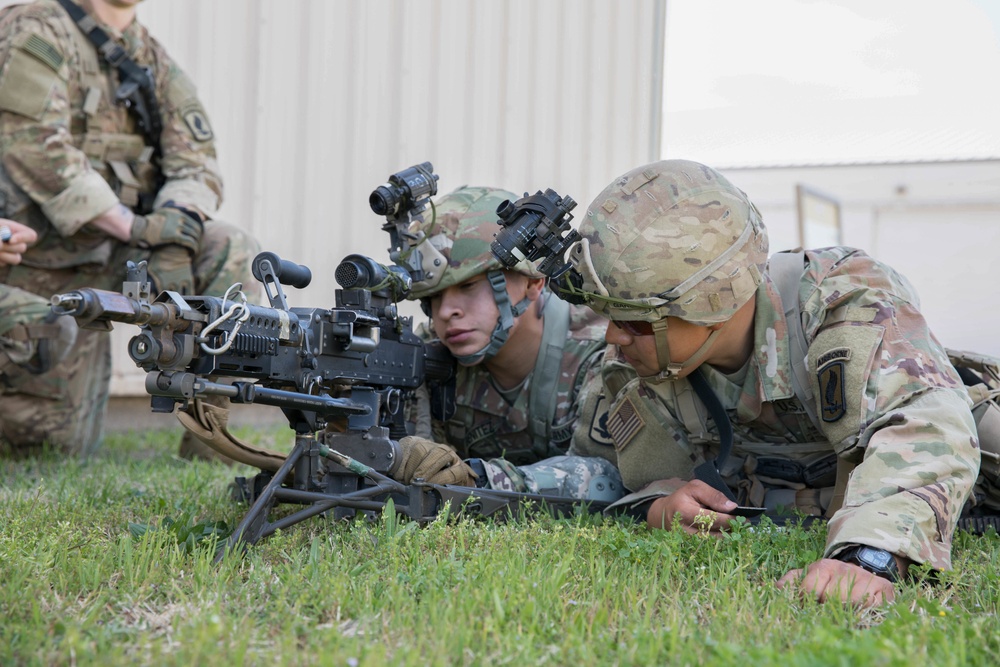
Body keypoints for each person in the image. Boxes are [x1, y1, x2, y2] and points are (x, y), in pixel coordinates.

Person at [553, 158, 985, 607]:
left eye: (637, 321)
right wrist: (660, 502)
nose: (612, 336)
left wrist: (868, 556)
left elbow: (927, 424)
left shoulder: (840, 302)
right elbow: (608, 468)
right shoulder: (643, 363)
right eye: (611, 316)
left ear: (711, 305)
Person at [0, 0, 258, 458]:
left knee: (230, 250)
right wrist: (136, 226)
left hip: (118, 254)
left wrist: (174, 234)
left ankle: (210, 445)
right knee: (48, 448)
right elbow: (36, 145)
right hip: (31, 265)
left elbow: (197, 164)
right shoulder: (36, 30)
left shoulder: (151, 58)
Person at [388, 185, 622, 500]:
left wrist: (478, 482)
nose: (446, 312)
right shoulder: (426, 360)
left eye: (468, 285)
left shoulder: (601, 349)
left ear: (533, 282)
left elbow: (608, 476)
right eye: (432, 297)